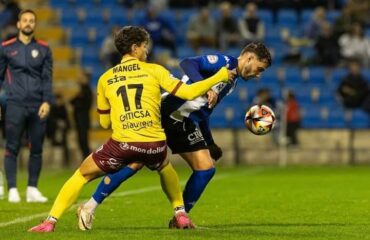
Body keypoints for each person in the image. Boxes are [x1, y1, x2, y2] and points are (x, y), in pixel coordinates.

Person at [28, 26, 235, 232]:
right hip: (155, 144)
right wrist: (220, 76)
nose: (147, 51)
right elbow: (189, 92)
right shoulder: (155, 70)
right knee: (164, 166)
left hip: (123, 144)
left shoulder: (105, 79)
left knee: (82, 174)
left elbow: (104, 124)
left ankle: (50, 222)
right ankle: (180, 214)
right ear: (135, 48)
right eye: (145, 47)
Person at [78, 42, 272, 229]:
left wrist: (210, 143)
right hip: (165, 111)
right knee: (135, 162)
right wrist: (207, 86)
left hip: (182, 122)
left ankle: (180, 218)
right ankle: (89, 206)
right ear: (249, 57)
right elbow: (188, 63)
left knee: (206, 168)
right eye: (259, 68)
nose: (258, 75)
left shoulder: (232, 81)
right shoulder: (223, 63)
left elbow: (203, 112)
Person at [0, 9, 53, 203]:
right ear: (18, 24)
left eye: (32, 20)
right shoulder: (6, 48)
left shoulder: (44, 49)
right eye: (25, 20)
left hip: (38, 105)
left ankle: (32, 189)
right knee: (12, 147)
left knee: (37, 148)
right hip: (15, 104)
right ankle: (13, 188)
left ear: (35, 24)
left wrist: (47, 101)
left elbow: (47, 78)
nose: (28, 23)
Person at [70, 70, 93, 158]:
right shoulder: (82, 90)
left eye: (82, 77)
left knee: (83, 141)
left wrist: (77, 103)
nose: (79, 79)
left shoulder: (87, 91)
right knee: (81, 141)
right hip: (79, 120)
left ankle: (87, 158)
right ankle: (85, 158)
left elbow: (84, 104)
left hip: (83, 120)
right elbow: (72, 101)